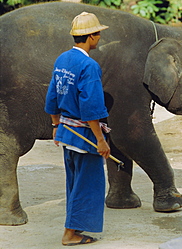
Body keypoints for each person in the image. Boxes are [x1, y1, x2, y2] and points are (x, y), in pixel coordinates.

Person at [44, 12, 110, 246]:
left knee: (74, 183)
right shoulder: (89, 66)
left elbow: (52, 96)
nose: (100, 37)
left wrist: (55, 125)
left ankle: (73, 230)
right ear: (90, 37)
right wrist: (101, 140)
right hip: (84, 137)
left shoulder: (62, 59)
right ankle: (70, 234)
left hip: (66, 132)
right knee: (88, 185)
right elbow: (91, 107)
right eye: (98, 33)